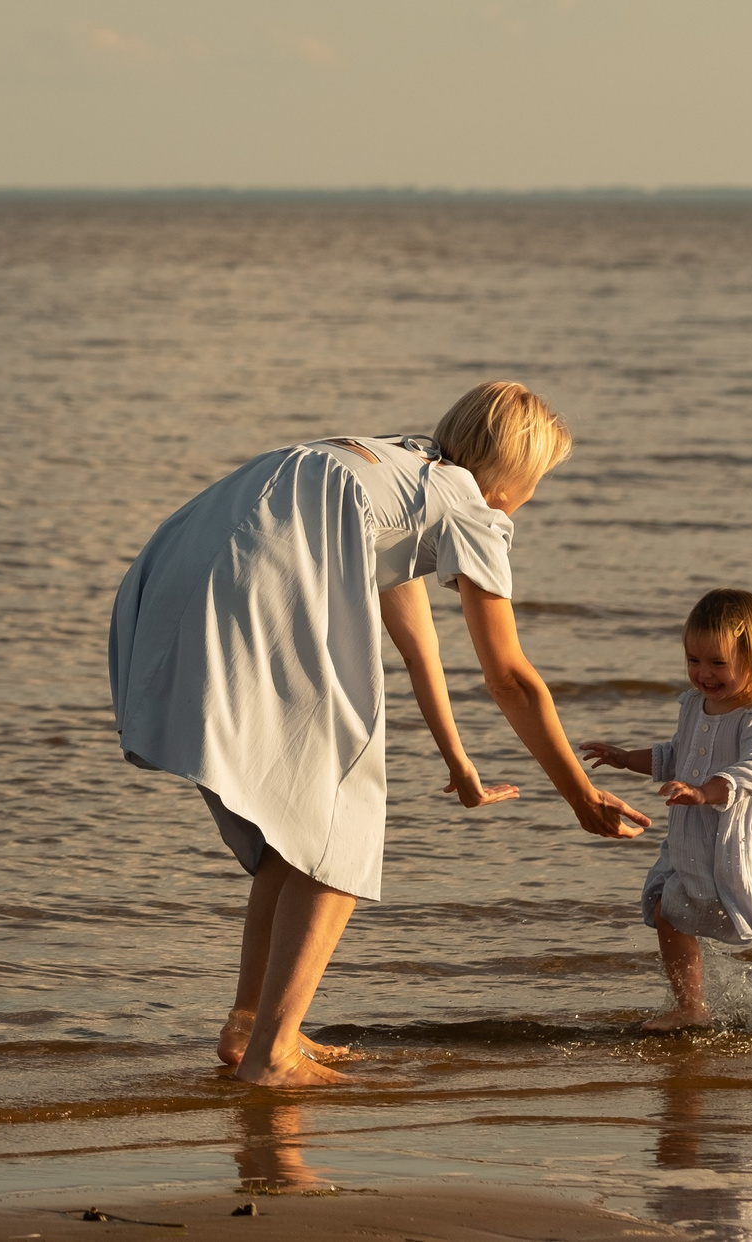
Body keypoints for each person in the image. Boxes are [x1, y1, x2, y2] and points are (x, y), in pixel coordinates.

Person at [108, 381, 651, 1088]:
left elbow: (417, 643)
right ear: (511, 479)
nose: (529, 498)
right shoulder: (469, 504)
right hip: (255, 584)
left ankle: (252, 1025)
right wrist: (579, 795)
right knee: (341, 828)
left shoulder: (396, 473)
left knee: (298, 820)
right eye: (535, 482)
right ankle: (272, 1058)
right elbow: (510, 677)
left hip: (177, 566)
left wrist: (458, 762)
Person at [581, 588, 752, 1032]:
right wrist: (627, 757)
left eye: (718, 663)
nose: (703, 673)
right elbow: (677, 754)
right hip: (696, 831)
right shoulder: (692, 705)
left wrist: (706, 792)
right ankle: (692, 1006)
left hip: (746, 834)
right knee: (669, 907)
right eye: (694, 660)